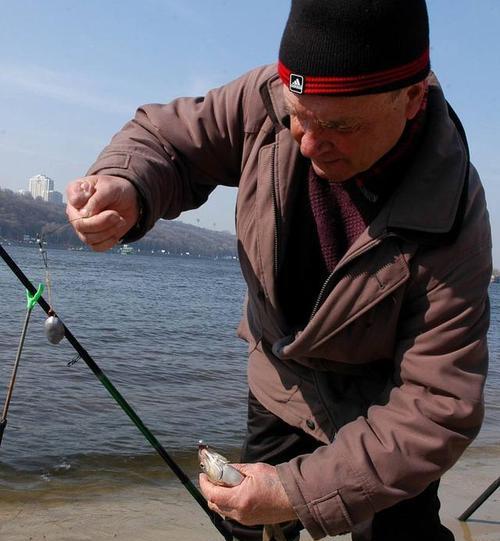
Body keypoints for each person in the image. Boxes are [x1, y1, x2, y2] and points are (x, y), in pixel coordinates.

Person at [66, 1, 492, 540]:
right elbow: (167, 139)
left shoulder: (454, 217)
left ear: (411, 99)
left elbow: (437, 407)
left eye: (338, 124)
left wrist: (297, 492)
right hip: (280, 383)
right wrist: (127, 184)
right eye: (297, 116)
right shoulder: (265, 95)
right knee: (244, 521)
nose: (307, 143)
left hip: (385, 418)